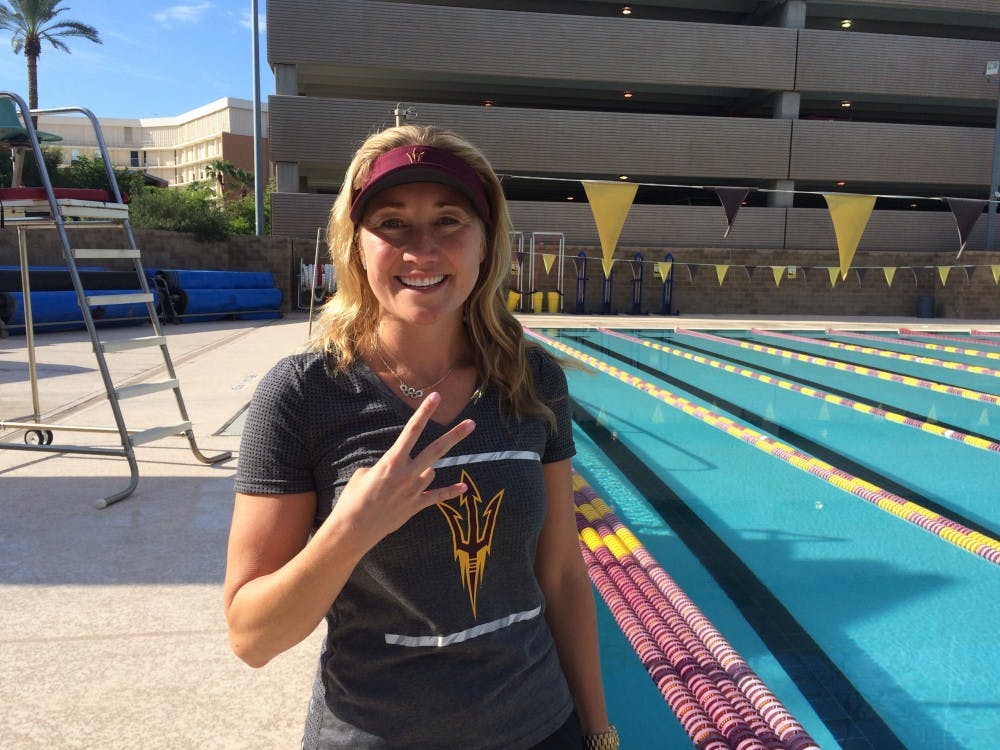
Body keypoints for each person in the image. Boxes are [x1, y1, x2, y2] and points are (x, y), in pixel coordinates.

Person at [223, 124, 619, 750]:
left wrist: (599, 734)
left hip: (541, 729)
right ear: (355, 246)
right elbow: (252, 637)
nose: (422, 250)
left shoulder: (530, 378)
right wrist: (350, 528)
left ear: (487, 244)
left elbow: (565, 575)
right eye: (392, 224)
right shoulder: (303, 394)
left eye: (449, 221)